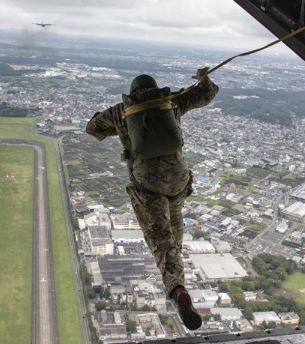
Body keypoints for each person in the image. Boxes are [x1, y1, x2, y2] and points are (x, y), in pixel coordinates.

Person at [86, 68, 218, 330]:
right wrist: (204, 77)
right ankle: (178, 276)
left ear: (133, 93)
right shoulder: (169, 102)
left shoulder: (119, 111)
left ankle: (177, 288)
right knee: (174, 223)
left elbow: (92, 128)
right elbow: (207, 93)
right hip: (178, 178)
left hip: (148, 182)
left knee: (161, 239)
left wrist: (121, 128)